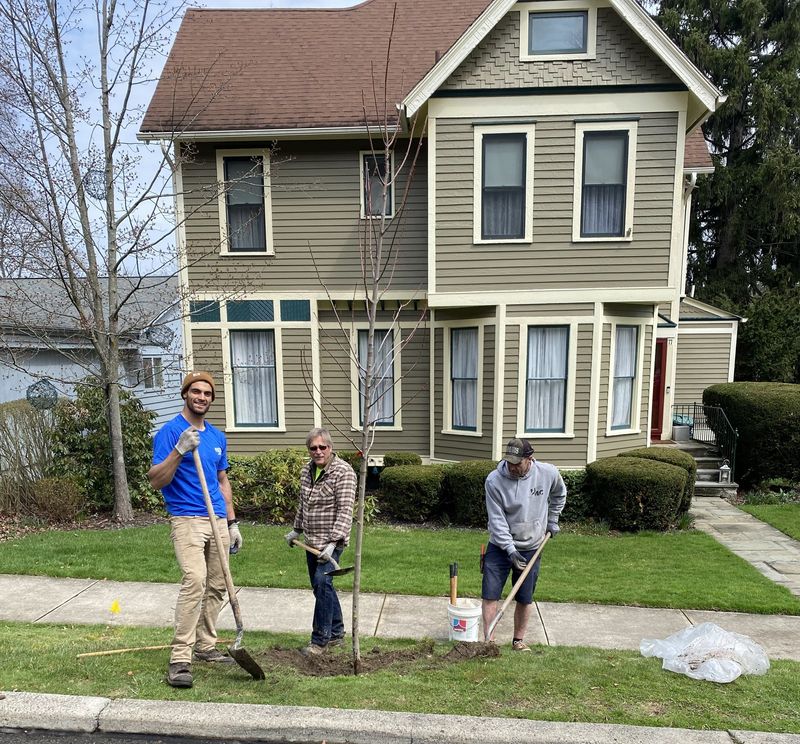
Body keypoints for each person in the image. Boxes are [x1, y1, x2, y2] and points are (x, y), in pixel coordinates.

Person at [147, 371, 243, 688]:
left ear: (211, 399)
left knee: (217, 585)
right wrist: (179, 450)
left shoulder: (217, 437)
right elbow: (156, 479)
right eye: (196, 392)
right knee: (195, 581)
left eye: (207, 394)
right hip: (186, 518)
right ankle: (179, 659)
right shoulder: (170, 432)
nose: (202, 397)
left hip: (217, 519)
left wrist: (232, 522)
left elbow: (222, 481)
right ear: (185, 394)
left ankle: (205, 646)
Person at [482, 438, 566, 651]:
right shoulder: (494, 481)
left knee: (524, 597)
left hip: (532, 546)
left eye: (517, 463)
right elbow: (497, 521)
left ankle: (518, 640)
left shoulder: (547, 473)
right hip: (500, 547)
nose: (511, 467)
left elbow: (559, 494)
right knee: (490, 594)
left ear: (530, 459)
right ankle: (488, 642)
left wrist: (553, 520)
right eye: (509, 462)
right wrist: (509, 549)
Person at [284, 427, 357, 656]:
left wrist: (334, 543)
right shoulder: (307, 471)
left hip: (330, 543)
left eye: (322, 447)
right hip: (311, 541)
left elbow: (345, 511)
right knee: (321, 587)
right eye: (313, 448)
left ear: (330, 447)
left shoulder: (343, 472)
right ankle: (336, 633)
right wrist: (296, 530)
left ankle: (320, 641)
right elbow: (303, 504)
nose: (318, 452)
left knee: (322, 584)